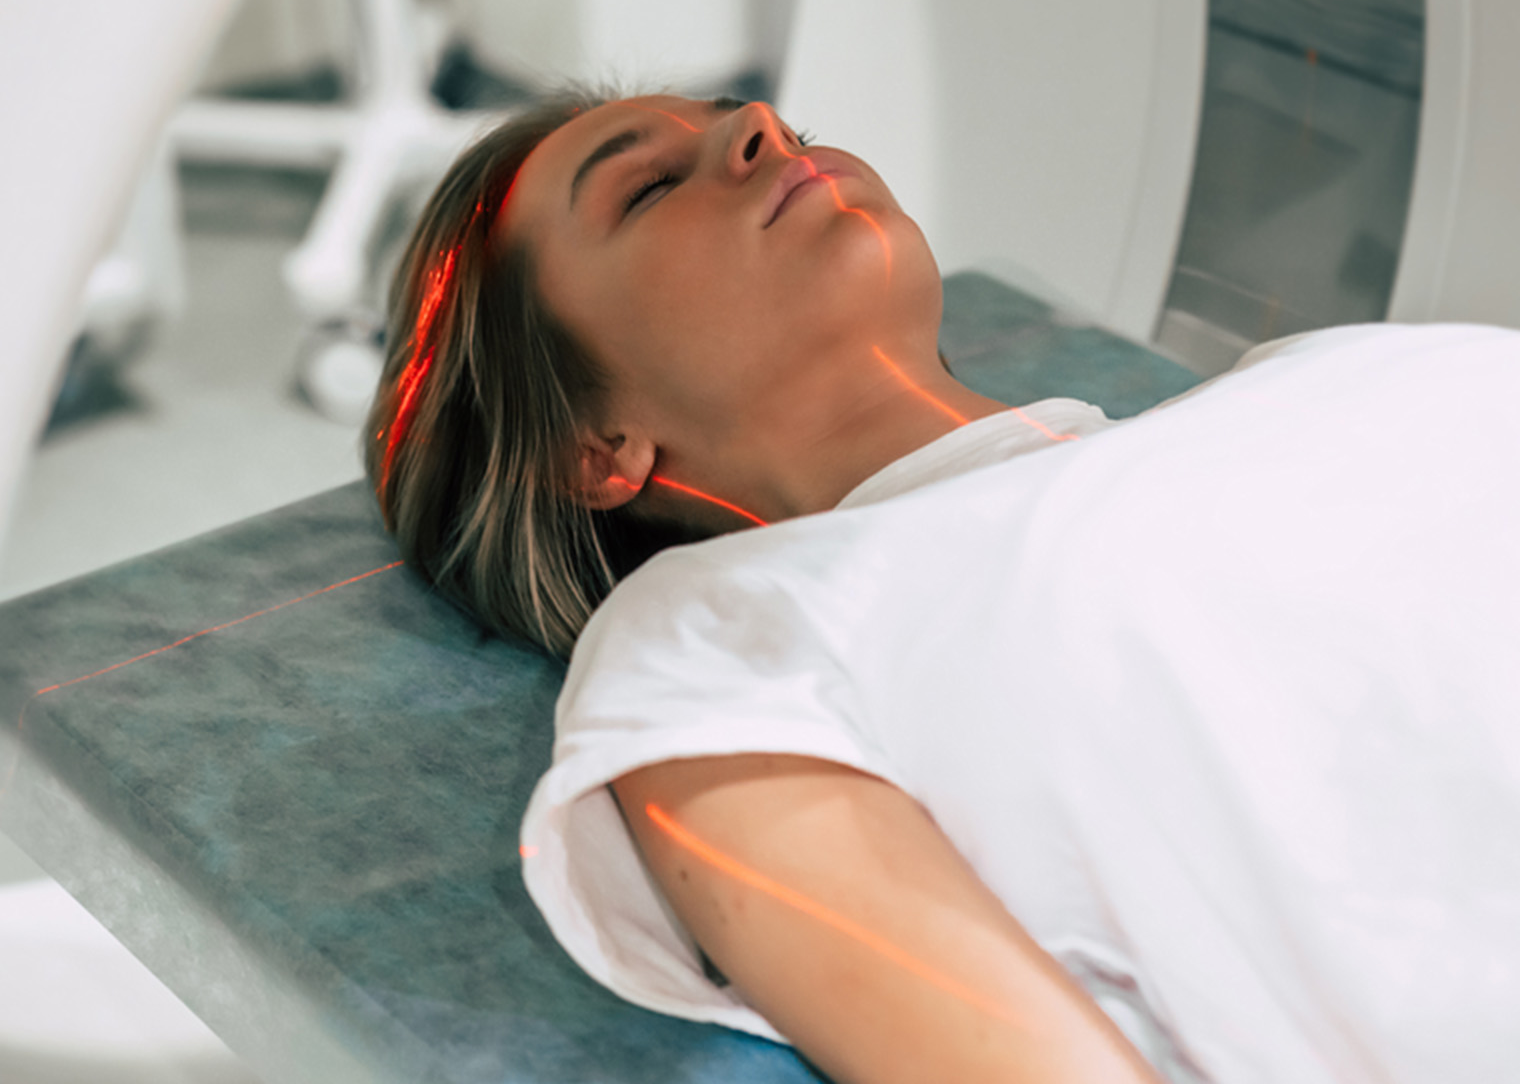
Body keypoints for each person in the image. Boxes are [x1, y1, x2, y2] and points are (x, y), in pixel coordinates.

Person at [366, 93, 1520, 1084]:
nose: (764, 128)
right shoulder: (720, 633)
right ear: (593, 444)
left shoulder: (1310, 373)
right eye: (650, 188)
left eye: (753, 119)